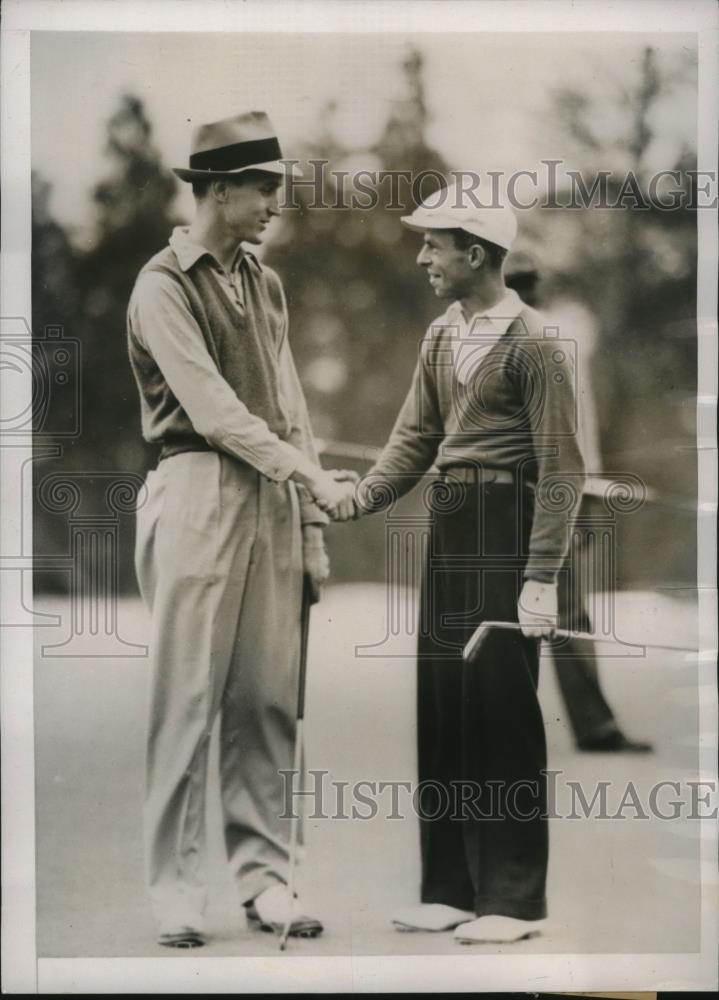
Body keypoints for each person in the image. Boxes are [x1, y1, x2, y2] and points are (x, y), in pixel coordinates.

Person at [127, 111, 355, 948]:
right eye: (262, 189)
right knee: (188, 699)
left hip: (272, 502)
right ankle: (177, 894)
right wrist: (306, 475)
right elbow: (216, 412)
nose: (272, 205)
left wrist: (314, 521)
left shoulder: (264, 281)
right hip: (195, 489)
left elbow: (288, 405)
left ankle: (265, 883)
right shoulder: (161, 283)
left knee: (265, 701)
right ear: (217, 191)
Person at [355, 179, 585, 944]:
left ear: (475, 252)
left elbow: (561, 469)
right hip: (452, 521)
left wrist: (540, 578)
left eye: (433, 243)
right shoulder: (439, 336)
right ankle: (448, 887)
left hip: (507, 526)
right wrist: (357, 500)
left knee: (502, 713)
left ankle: (512, 901)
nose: (422, 256)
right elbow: (414, 441)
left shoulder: (538, 343)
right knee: (443, 702)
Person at [505, 254, 652, 753]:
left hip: (554, 500)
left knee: (568, 612)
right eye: (515, 285)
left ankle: (594, 725)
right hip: (497, 501)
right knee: (497, 615)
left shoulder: (557, 342)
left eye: (529, 284)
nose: (524, 293)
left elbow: (579, 434)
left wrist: (585, 500)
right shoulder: (474, 338)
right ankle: (499, 729)